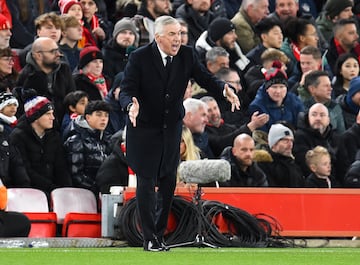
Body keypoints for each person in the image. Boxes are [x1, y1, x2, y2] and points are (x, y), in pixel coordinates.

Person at [119, 16, 240, 251]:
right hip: (143, 127)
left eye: (180, 34)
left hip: (171, 127)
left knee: (168, 181)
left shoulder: (186, 54)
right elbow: (127, 89)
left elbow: (205, 77)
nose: (178, 39)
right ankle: (149, 238)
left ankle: (160, 235)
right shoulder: (139, 57)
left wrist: (225, 89)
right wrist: (129, 106)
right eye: (172, 34)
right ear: (158, 37)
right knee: (146, 180)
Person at [9, 90, 72, 196]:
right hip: (29, 191)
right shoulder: (18, 137)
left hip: (53, 190)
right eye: (48, 114)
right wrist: (51, 188)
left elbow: (61, 168)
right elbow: (24, 169)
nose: (52, 117)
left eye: (52, 114)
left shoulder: (54, 136)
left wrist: (65, 190)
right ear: (36, 117)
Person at [16, 37, 76, 124]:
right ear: (38, 55)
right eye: (53, 52)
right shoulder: (26, 77)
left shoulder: (64, 69)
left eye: (58, 50)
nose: (59, 54)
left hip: (65, 123)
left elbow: (72, 99)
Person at [64, 100, 112, 195]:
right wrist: (97, 188)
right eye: (99, 115)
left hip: (104, 191)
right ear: (88, 117)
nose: (103, 119)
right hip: (83, 194)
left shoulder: (108, 139)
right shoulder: (76, 140)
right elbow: (76, 175)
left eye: (106, 115)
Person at [201, 95, 269, 158]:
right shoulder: (203, 131)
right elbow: (221, 143)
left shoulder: (231, 127)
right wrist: (251, 126)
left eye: (215, 108)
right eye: (209, 110)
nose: (214, 113)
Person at [248, 61, 304, 132]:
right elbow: (262, 134)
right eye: (274, 87)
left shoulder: (294, 100)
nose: (278, 91)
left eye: (281, 87)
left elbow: (301, 125)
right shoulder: (257, 106)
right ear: (267, 89)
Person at [293, 103, 339, 180]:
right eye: (314, 115)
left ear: (328, 120)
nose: (318, 118)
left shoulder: (336, 138)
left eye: (322, 115)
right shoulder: (299, 137)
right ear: (308, 118)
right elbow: (303, 164)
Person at [257, 123, 305, 187]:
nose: (290, 145)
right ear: (274, 144)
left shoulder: (294, 165)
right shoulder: (264, 164)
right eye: (285, 141)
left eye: (291, 141)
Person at [102, 17, 138, 84]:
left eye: (131, 33)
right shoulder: (106, 55)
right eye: (123, 32)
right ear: (116, 35)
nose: (127, 36)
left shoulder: (137, 56)